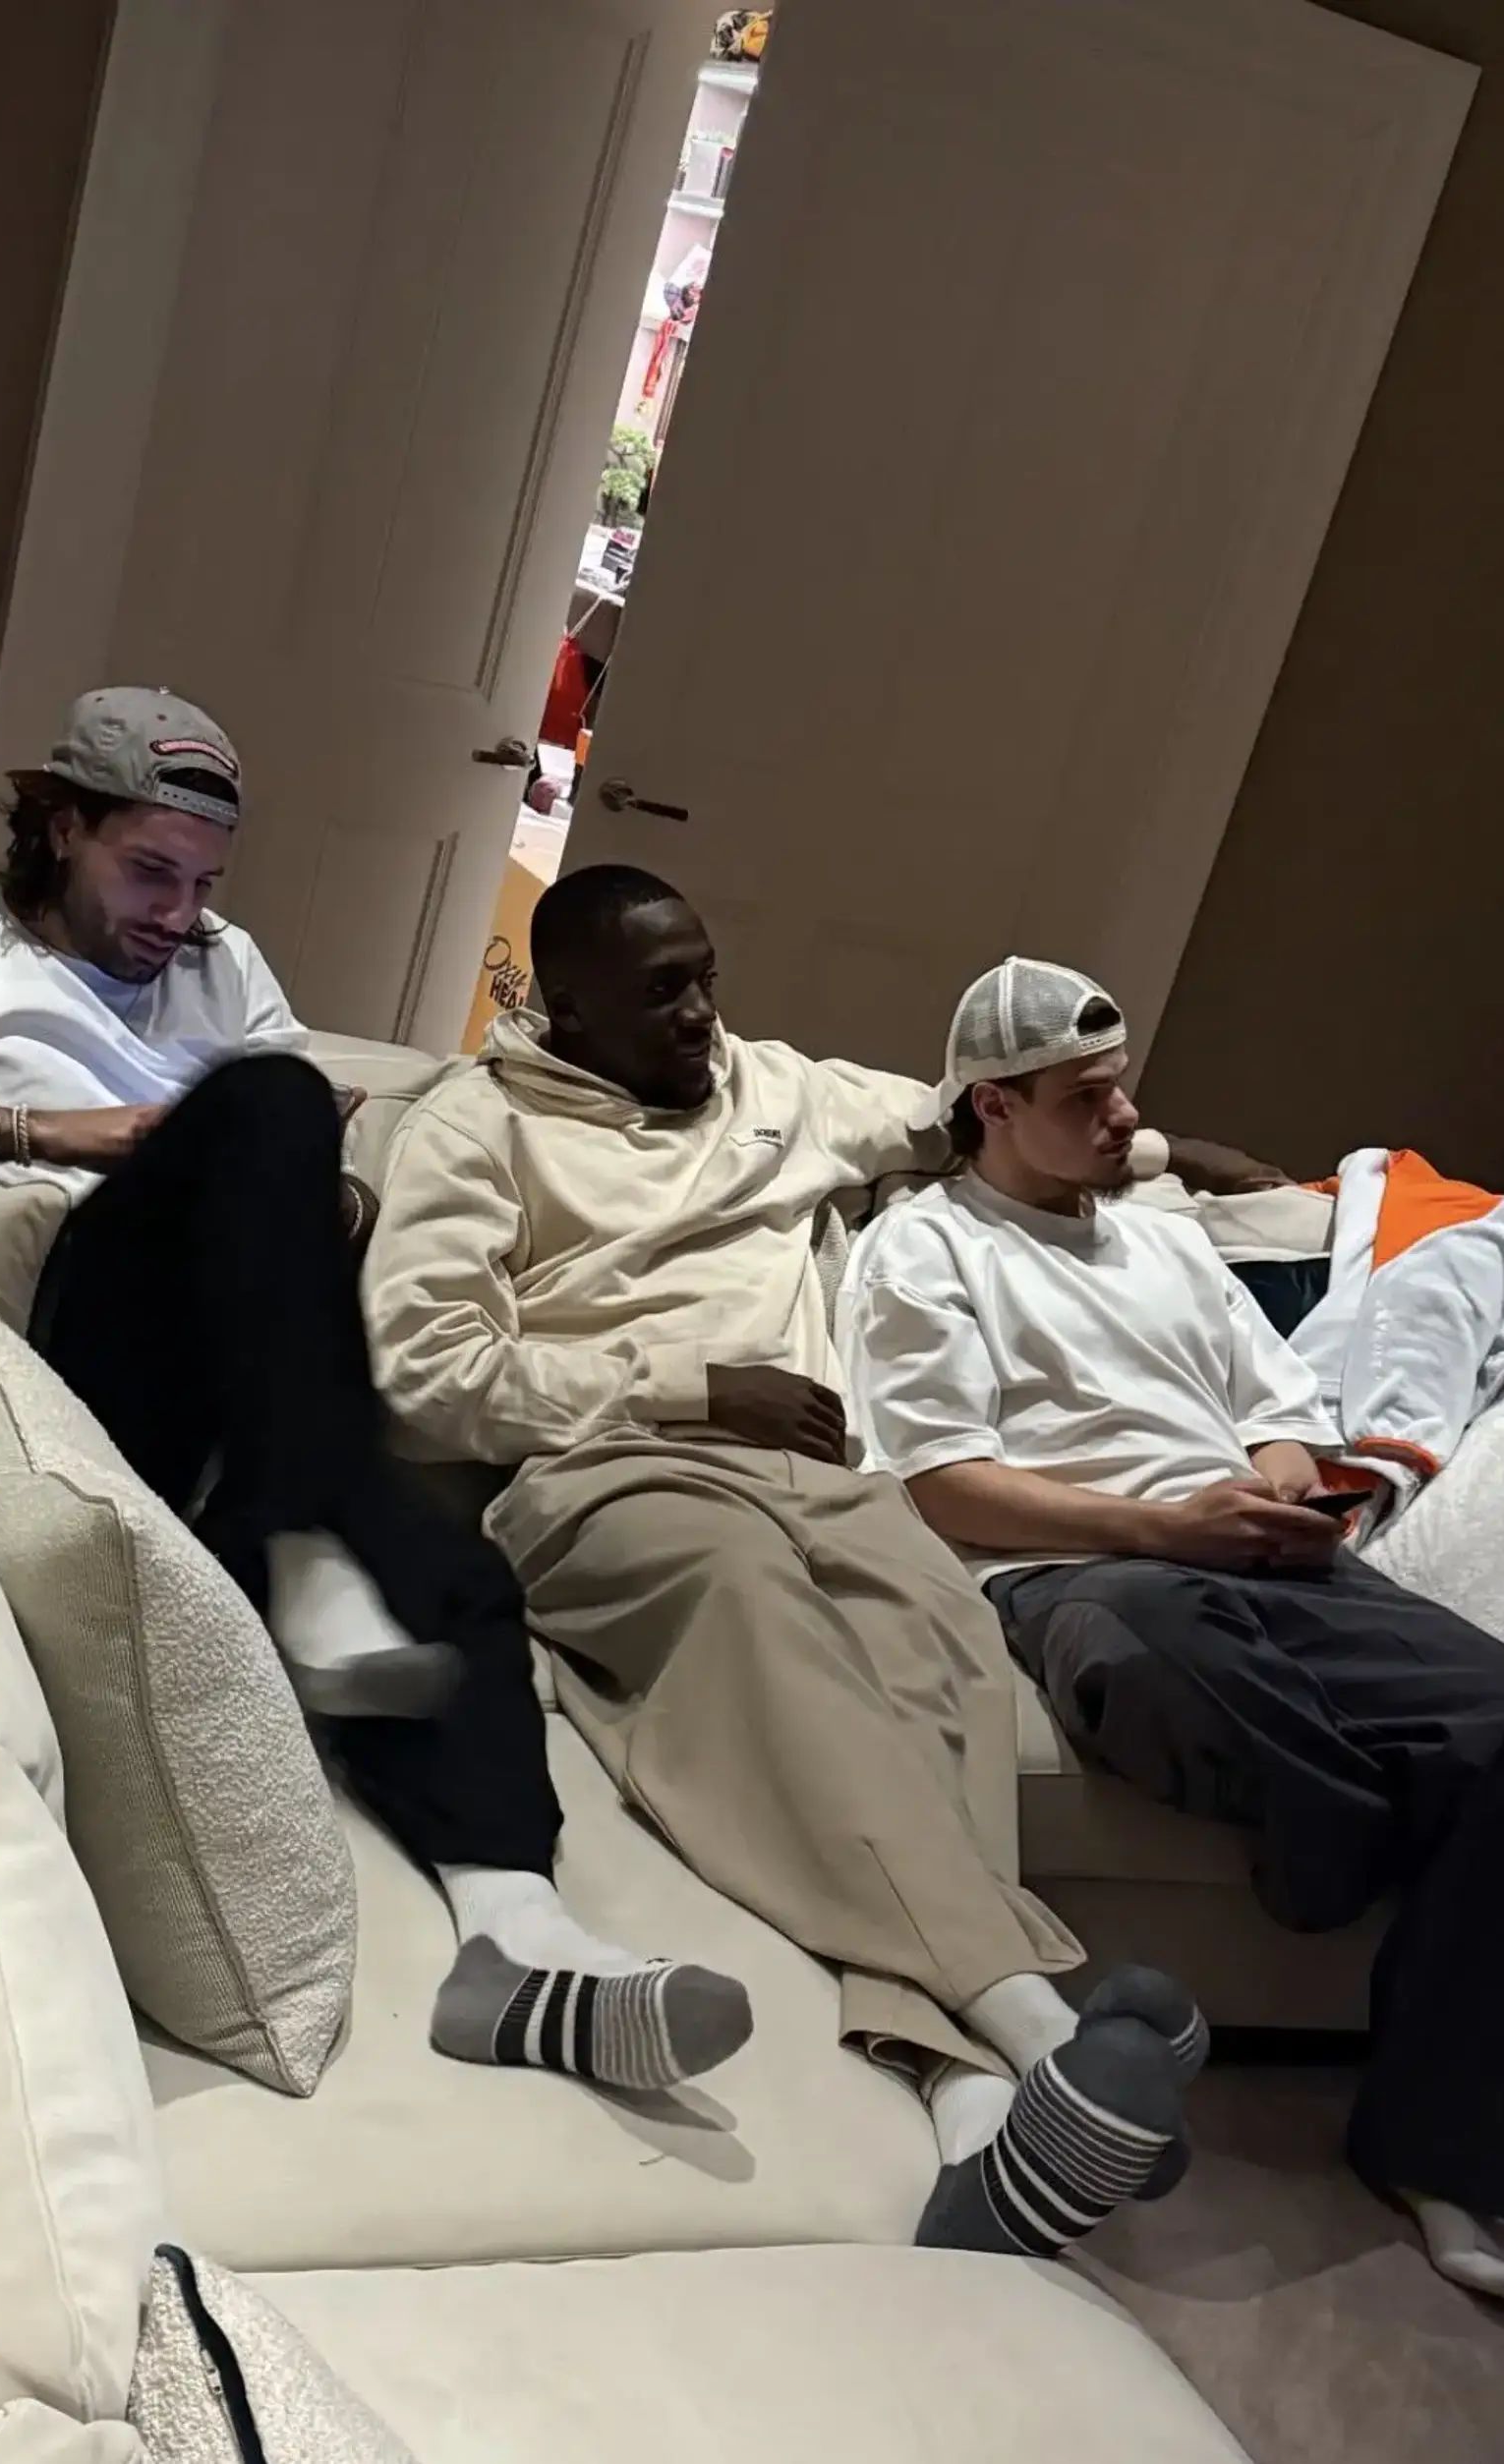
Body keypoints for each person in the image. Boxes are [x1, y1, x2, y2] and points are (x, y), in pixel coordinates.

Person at [0, 687, 751, 2097]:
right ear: (60, 829)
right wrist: (50, 1129)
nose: (181, 915)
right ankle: (310, 1542)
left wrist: (334, 1203)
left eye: (205, 883)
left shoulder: (225, 965)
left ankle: (518, 1945)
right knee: (263, 1100)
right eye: (151, 872)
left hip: (241, 1409)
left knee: (452, 1577)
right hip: (82, 1353)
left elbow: (317, 1167)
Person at [365, 863, 1208, 2259]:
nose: (702, 1013)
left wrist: (1182, 1156)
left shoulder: (781, 1088)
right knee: (757, 1619)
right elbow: (425, 1374)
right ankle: (1038, 2022)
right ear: (566, 1005)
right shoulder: (478, 1126)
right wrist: (695, 1388)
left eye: (705, 976)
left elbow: (974, 1110)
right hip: (616, 1472)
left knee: (944, 1656)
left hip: (829, 1482)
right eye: (661, 992)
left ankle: (975, 2114)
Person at [837, 953, 1504, 2303]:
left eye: (1121, 1088)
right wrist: (1167, 1528)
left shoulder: (1165, 1237)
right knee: (1147, 1654)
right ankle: (1347, 1841)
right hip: (1084, 1569)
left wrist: (1284, 1494)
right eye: (1087, 1097)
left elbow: (1282, 1413)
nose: (1126, 1118)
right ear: (995, 1106)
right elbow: (939, 1480)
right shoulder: (925, 1248)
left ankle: (1449, 2156)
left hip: (1267, 1560)